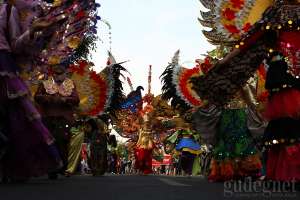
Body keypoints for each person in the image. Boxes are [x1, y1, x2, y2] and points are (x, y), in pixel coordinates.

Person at [0, 0, 62, 183]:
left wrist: (33, 30)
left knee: (12, 119)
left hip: (2, 67)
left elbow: (17, 45)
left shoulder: (7, 9)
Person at [35, 64, 80, 179]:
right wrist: (47, 98)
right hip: (48, 117)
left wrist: (65, 99)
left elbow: (76, 100)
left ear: (65, 74)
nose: (58, 76)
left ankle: (62, 166)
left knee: (62, 141)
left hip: (64, 118)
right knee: (49, 142)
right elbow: (37, 97)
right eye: (55, 73)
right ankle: (52, 168)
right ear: (52, 74)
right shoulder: (45, 84)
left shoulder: (70, 85)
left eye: (60, 73)